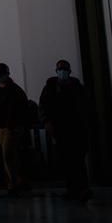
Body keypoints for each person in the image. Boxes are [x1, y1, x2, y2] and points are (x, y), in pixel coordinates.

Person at [39, 59, 91, 200]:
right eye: (60, 69)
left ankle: (81, 188)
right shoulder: (50, 88)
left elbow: (85, 108)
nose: (62, 72)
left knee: (78, 161)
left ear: (69, 71)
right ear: (56, 72)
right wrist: (47, 122)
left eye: (64, 69)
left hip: (76, 130)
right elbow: (43, 106)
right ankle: (73, 189)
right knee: (66, 162)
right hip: (60, 130)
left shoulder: (77, 88)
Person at [0, 63, 31, 195]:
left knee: (7, 155)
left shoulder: (13, 91)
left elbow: (21, 110)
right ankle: (18, 181)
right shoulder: (3, 90)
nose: (0, 77)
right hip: (2, 127)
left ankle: (12, 183)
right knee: (9, 155)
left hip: (10, 127)